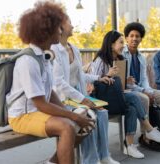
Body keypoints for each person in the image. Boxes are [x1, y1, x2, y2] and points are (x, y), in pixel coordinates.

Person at [6, 2, 94, 164]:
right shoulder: (28, 61)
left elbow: (50, 92)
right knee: (67, 126)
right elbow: (40, 103)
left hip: (38, 111)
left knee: (87, 120)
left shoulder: (44, 56)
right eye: (58, 27)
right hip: (22, 116)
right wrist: (72, 115)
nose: (61, 31)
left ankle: (52, 162)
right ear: (45, 31)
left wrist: (68, 111)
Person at [51, 15, 119, 164]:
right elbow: (59, 83)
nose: (73, 25)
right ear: (60, 27)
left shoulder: (74, 49)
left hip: (77, 95)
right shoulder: (53, 51)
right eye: (69, 22)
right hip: (63, 99)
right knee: (88, 115)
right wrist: (83, 100)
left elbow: (80, 74)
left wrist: (98, 78)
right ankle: (90, 160)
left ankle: (104, 156)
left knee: (102, 112)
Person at [91, 30, 160, 159]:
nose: (123, 45)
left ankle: (129, 145)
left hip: (117, 96)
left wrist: (126, 81)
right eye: (121, 42)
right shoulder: (101, 60)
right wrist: (107, 75)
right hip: (102, 100)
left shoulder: (121, 59)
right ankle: (149, 129)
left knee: (131, 108)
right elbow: (93, 83)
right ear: (111, 44)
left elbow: (121, 85)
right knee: (133, 97)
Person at [121, 22, 160, 150]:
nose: (134, 38)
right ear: (127, 38)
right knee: (145, 98)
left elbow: (144, 78)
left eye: (138, 36)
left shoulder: (141, 57)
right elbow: (127, 83)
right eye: (132, 36)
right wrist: (145, 91)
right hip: (130, 91)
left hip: (142, 88)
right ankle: (146, 136)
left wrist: (149, 91)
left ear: (141, 38)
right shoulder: (121, 55)